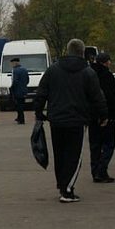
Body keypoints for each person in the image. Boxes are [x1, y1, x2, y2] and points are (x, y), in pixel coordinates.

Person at [34, 39, 107, 203]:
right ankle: (67, 190)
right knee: (74, 155)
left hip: (56, 119)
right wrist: (103, 115)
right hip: (77, 120)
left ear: (68, 51)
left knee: (59, 154)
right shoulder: (88, 72)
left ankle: (62, 185)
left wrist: (39, 112)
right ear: (82, 52)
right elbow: (97, 96)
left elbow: (41, 92)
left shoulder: (52, 70)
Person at [89, 53, 115, 183]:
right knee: (109, 144)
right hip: (106, 114)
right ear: (106, 62)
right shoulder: (107, 75)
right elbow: (110, 96)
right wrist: (112, 114)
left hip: (91, 115)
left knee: (95, 145)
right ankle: (102, 170)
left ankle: (95, 170)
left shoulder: (88, 74)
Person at [10, 58, 30, 124]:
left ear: (15, 63)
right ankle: (19, 118)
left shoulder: (15, 70)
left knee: (18, 105)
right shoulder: (25, 69)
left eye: (12, 63)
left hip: (17, 91)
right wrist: (24, 85)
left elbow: (15, 81)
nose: (12, 64)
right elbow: (27, 80)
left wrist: (12, 88)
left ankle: (21, 119)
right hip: (24, 90)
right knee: (21, 104)